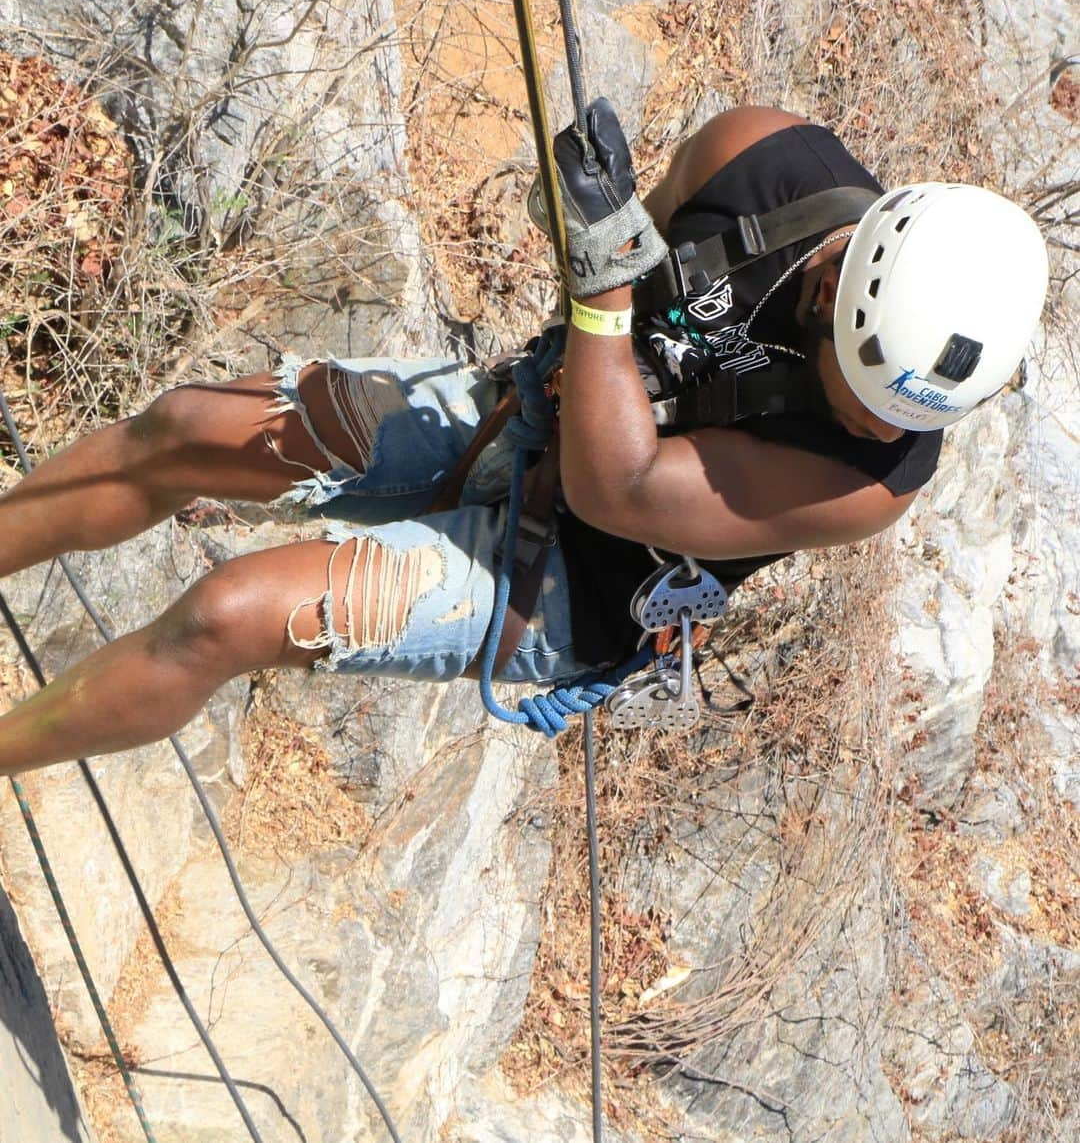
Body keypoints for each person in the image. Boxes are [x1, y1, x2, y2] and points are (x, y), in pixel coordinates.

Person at [0, 104, 1048, 774]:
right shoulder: (766, 162)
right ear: (833, 285)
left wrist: (600, 295)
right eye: (864, 394)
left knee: (228, 615)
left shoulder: (879, 478)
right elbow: (631, 247)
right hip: (534, 409)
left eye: (908, 419)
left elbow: (618, 487)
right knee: (188, 428)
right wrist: (591, 224)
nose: (876, 425)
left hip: (567, 580)